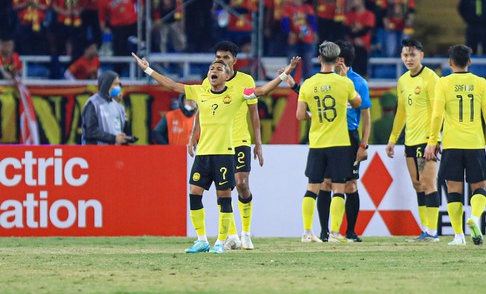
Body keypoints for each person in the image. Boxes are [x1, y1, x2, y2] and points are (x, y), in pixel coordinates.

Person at [132, 52, 300, 254]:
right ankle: (202, 239)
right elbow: (171, 85)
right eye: (212, 68)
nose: (214, 70)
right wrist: (147, 69)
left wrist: (285, 74)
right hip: (203, 154)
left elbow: (263, 90)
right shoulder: (199, 91)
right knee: (194, 194)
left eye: (219, 69)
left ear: (227, 76)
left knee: (224, 197)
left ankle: (221, 241)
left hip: (224, 154)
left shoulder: (238, 93)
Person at [188, 41, 265, 251]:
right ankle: (231, 235)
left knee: (241, 183)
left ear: (234, 61)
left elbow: (254, 113)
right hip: (216, 143)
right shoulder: (208, 80)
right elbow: (201, 108)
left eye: (225, 58)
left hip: (239, 140)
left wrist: (258, 143)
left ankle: (246, 233)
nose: (220, 62)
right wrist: (193, 134)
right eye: (218, 58)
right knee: (224, 190)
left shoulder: (245, 80)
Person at [425, 44, 486, 246]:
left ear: (450, 63)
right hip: (474, 144)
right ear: (469, 61)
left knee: (453, 189)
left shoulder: (443, 83)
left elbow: (437, 115)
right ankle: (475, 218)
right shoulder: (480, 82)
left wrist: (432, 141)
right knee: (480, 187)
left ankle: (458, 236)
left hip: (451, 144)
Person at [297, 41, 362, 242]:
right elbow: (357, 103)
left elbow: (300, 115)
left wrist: (314, 115)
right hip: (339, 142)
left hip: (317, 142)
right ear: (337, 60)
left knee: (312, 187)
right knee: (339, 187)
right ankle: (334, 233)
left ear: (319, 59)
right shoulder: (344, 82)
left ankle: (307, 232)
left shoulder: (308, 83)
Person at [385, 38, 440, 242]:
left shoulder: (431, 78)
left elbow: (437, 112)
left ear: (421, 56)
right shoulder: (403, 80)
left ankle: (433, 232)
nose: (409, 59)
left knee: (428, 184)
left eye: (412, 55)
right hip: (409, 141)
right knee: (417, 185)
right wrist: (393, 139)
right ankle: (425, 230)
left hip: (427, 141)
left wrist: (433, 141)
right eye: (405, 55)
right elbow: (401, 112)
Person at [316, 40, 371, 242]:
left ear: (340, 59)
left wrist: (363, 145)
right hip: (328, 134)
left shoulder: (359, 83)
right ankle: (325, 232)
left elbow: (366, 117)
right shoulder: (323, 79)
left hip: (349, 136)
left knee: (350, 185)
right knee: (326, 183)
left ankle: (351, 232)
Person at [81, 70, 130, 145]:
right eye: (115, 84)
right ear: (107, 84)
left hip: (114, 153)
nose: (118, 87)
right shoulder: (93, 103)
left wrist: (123, 139)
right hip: (95, 152)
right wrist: (114, 138)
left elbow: (119, 131)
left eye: (119, 84)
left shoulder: (118, 107)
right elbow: (90, 131)